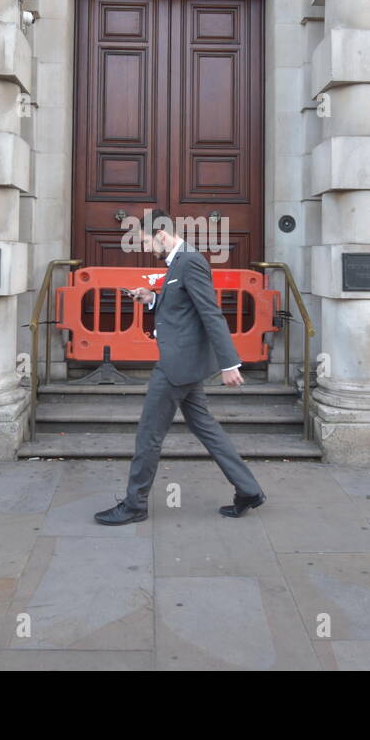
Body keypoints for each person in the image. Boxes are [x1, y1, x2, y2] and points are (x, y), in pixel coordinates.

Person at [94, 207, 266, 525]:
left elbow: (210, 313)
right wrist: (151, 299)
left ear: (161, 235)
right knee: (207, 428)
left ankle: (134, 505)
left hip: (176, 366)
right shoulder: (179, 263)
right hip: (184, 363)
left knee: (148, 434)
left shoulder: (190, 262)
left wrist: (230, 363)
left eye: (147, 241)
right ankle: (248, 489)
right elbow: (181, 307)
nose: (146, 248)